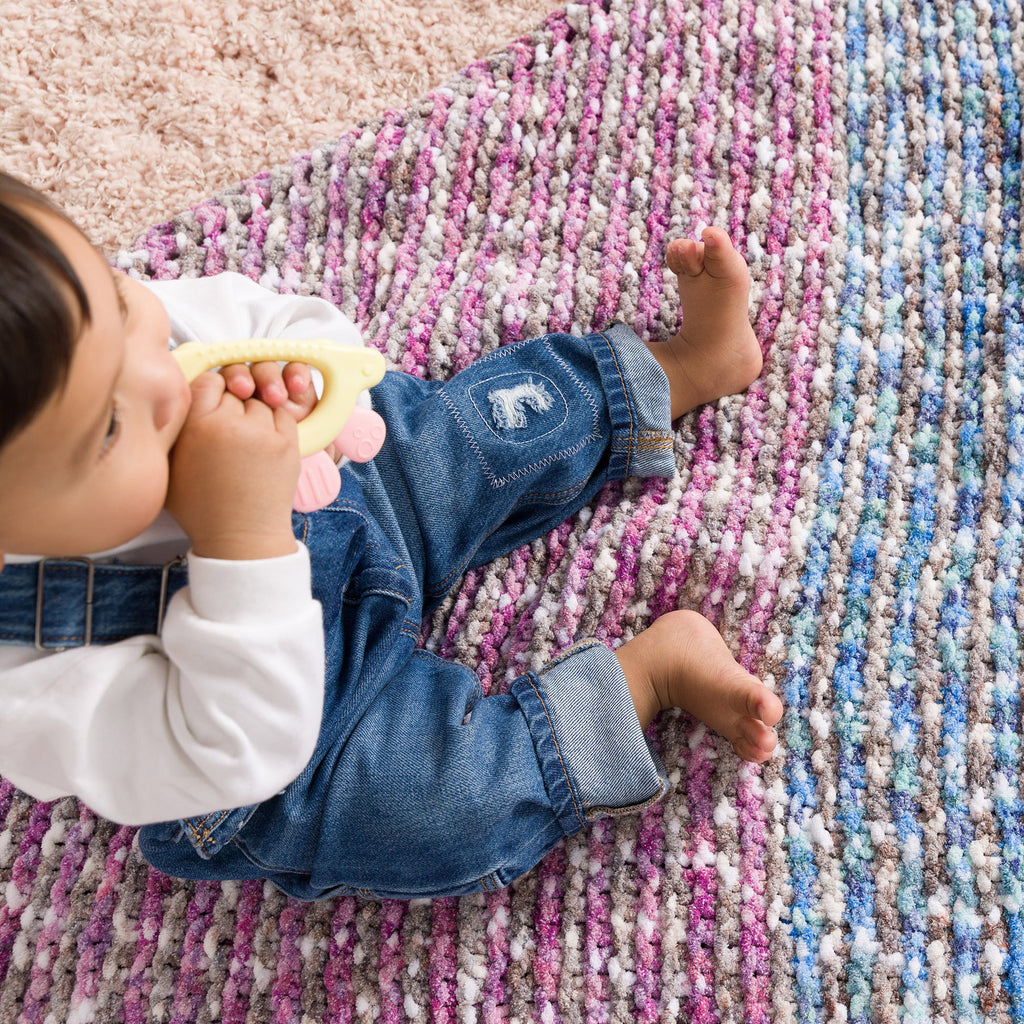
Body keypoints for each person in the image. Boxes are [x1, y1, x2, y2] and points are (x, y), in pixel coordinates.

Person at [0, 171, 783, 900]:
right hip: (305, 732)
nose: (164, 376)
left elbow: (288, 323)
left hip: (347, 491)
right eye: (107, 426)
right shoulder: (29, 684)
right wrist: (241, 533)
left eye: (119, 300)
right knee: (442, 813)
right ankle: (643, 680)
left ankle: (682, 368)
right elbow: (240, 747)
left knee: (483, 429)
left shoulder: (103, 333)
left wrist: (302, 373)